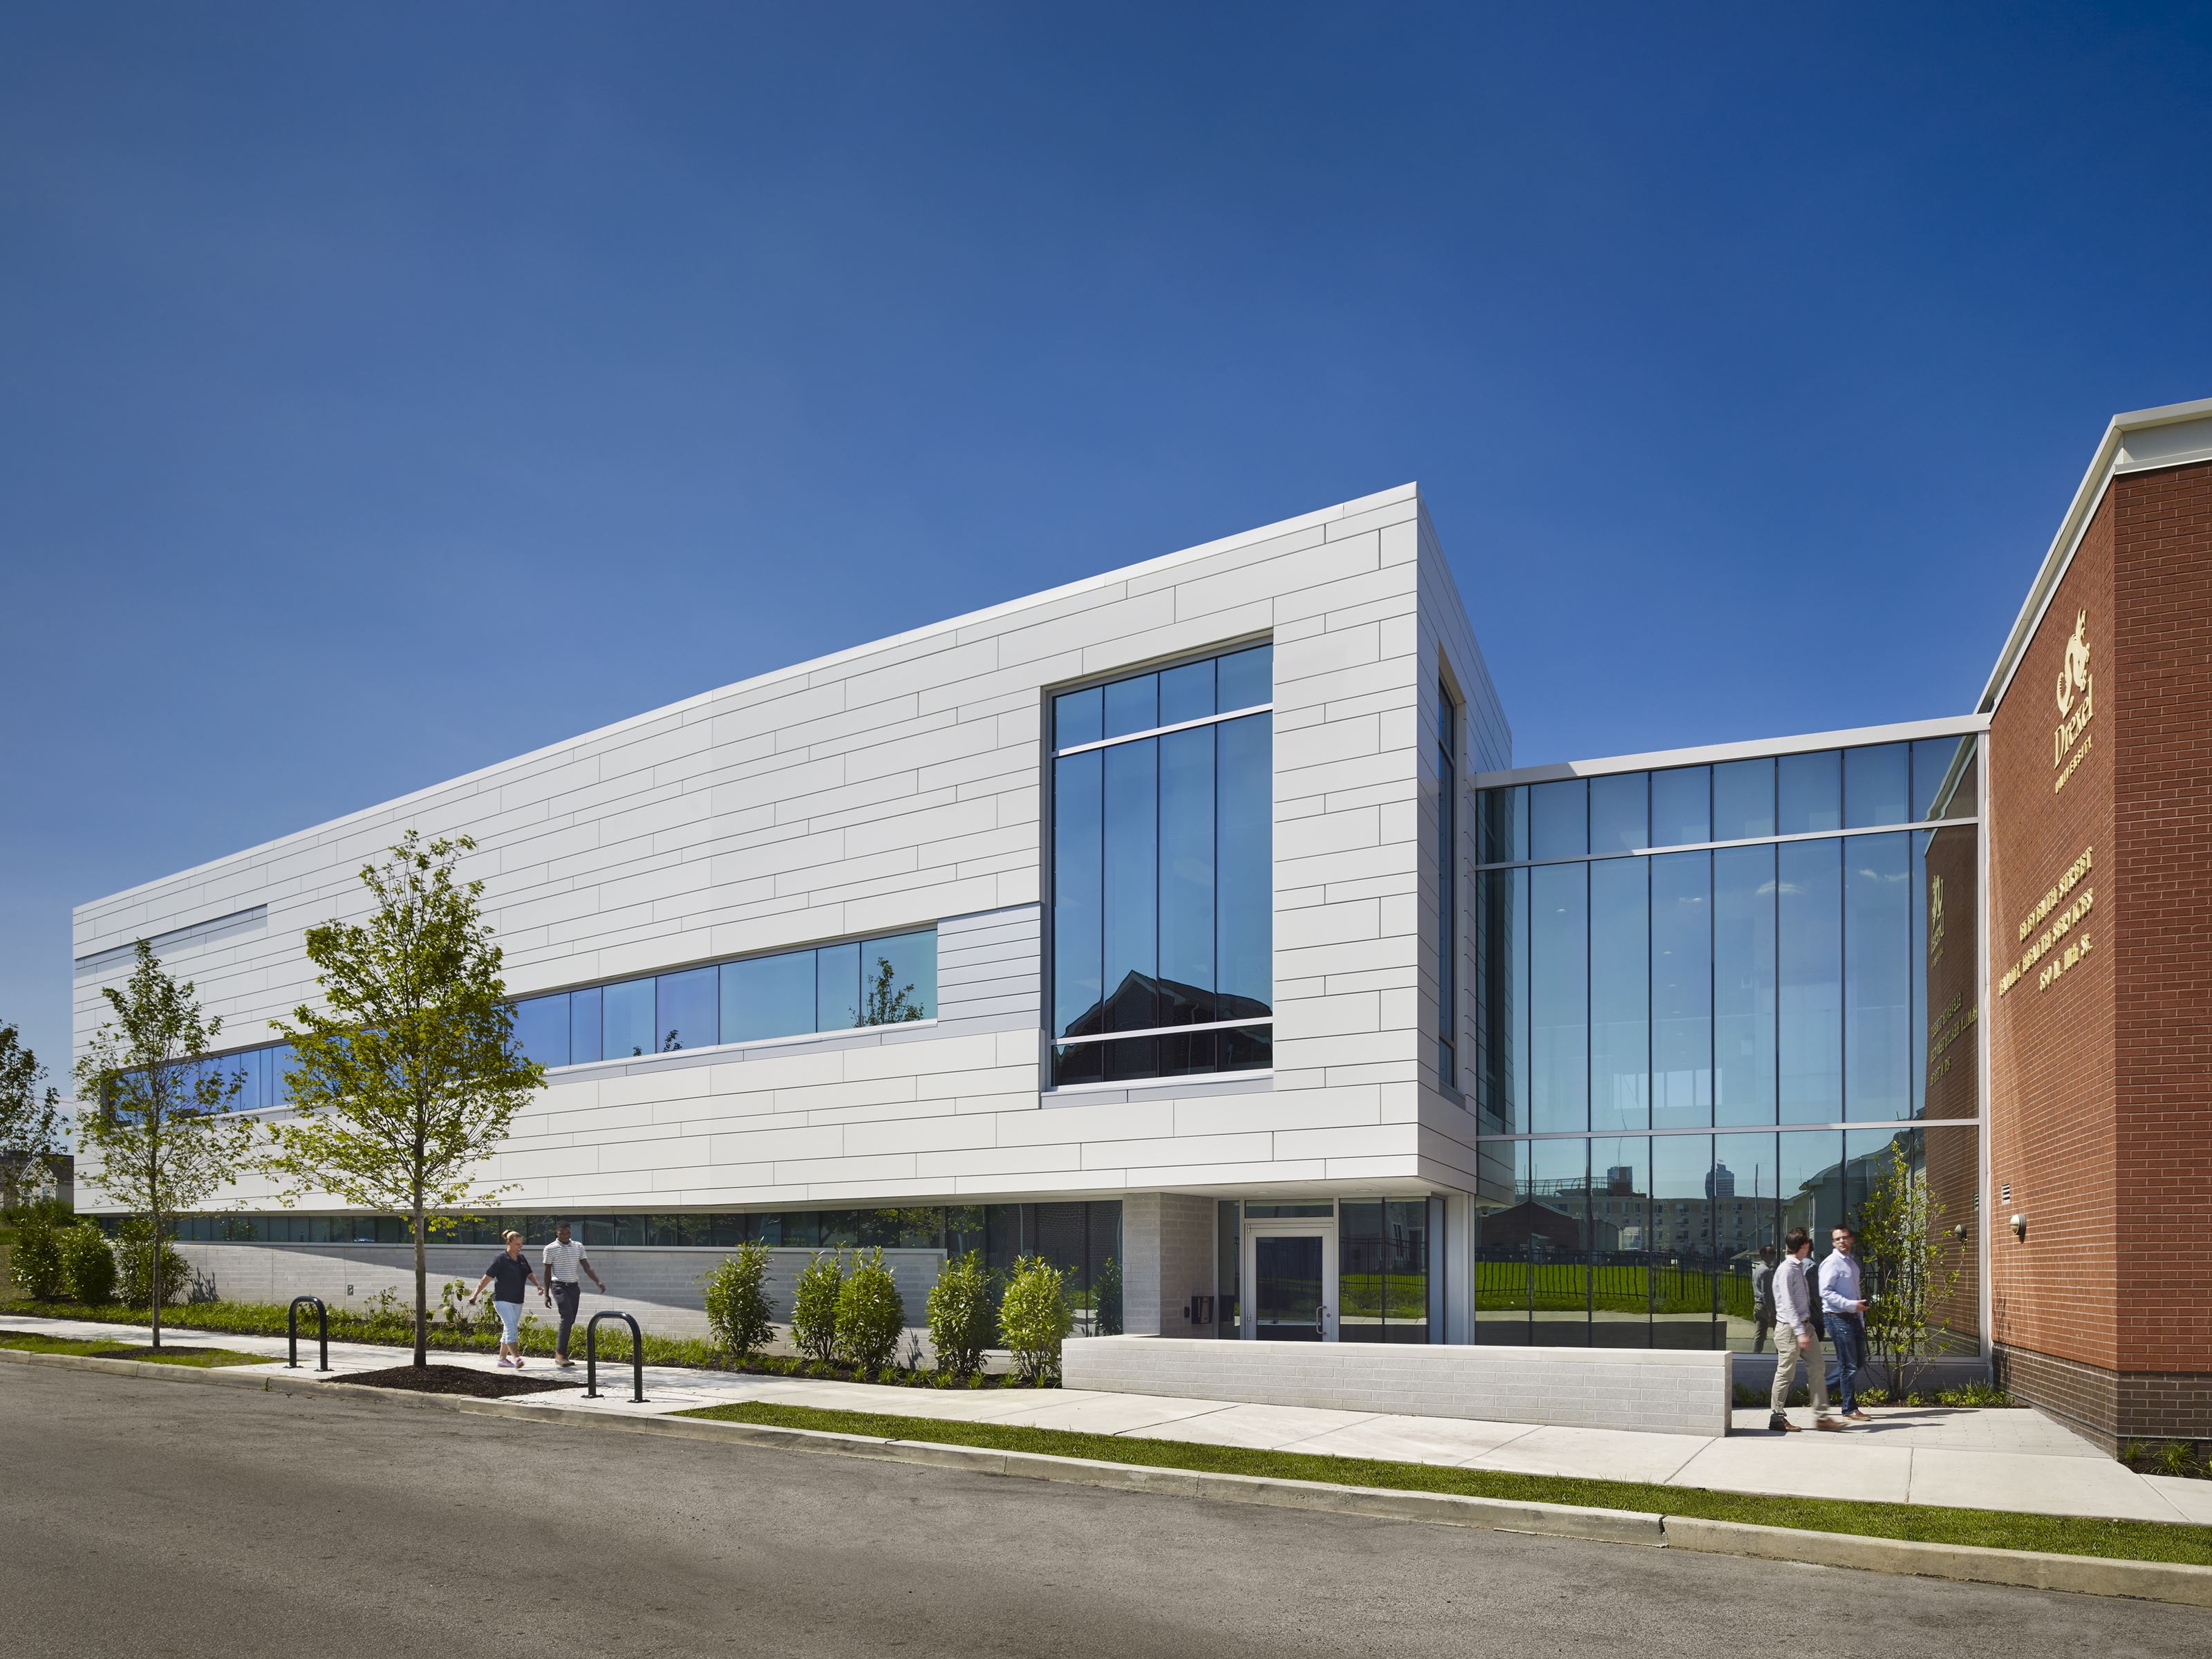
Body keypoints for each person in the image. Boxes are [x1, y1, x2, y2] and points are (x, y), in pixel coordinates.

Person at [1768, 1228, 1839, 1432]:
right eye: (1808, 1241)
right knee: (1785, 1373)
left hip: (1804, 1326)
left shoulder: (1798, 1266)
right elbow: (1788, 1305)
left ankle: (1821, 1417)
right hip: (1790, 1329)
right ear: (1804, 1245)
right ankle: (1777, 1418)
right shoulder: (1787, 1270)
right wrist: (1800, 1332)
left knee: (1818, 1367)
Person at [1820, 1224, 1873, 1423]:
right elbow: (1825, 1292)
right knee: (1848, 1365)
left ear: (1851, 1239)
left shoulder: (1851, 1263)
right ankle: (1849, 1409)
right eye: (1837, 1239)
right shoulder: (1831, 1263)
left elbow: (1855, 1294)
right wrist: (1851, 1305)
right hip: (1837, 1317)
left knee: (1858, 1362)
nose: (1842, 1241)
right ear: (1834, 1242)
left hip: (1852, 1318)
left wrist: (1860, 1319)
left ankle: (1822, 1389)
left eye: (1845, 1237)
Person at [468, 1231, 542, 1369]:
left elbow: (529, 1274)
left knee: (508, 1329)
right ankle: (517, 1358)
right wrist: (475, 1294)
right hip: (502, 1300)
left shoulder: (521, 1258)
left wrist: (538, 1285)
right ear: (508, 1243)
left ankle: (502, 1359)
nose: (520, 1247)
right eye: (517, 1244)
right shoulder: (500, 1259)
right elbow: (487, 1278)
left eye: (521, 1244)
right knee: (511, 1328)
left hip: (518, 1300)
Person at [541, 1219, 608, 1371]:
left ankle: (561, 1351)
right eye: (562, 1233)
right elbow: (546, 1272)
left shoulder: (578, 1246)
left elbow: (587, 1267)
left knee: (570, 1319)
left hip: (574, 1287)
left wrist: (598, 1281)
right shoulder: (550, 1249)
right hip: (558, 1286)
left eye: (568, 1233)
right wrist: (546, 1294)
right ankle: (560, 1355)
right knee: (567, 1316)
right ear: (556, 1233)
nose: (565, 1236)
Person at [1750, 1244, 1778, 1354]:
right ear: (1763, 1254)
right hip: (1766, 1306)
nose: (1773, 1255)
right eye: (1771, 1253)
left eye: (1774, 1253)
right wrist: (1771, 1310)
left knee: (1760, 1334)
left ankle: (1755, 1356)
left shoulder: (1758, 1269)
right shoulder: (1766, 1271)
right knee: (1780, 1333)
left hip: (1758, 1305)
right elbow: (1767, 1293)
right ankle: (1781, 1355)